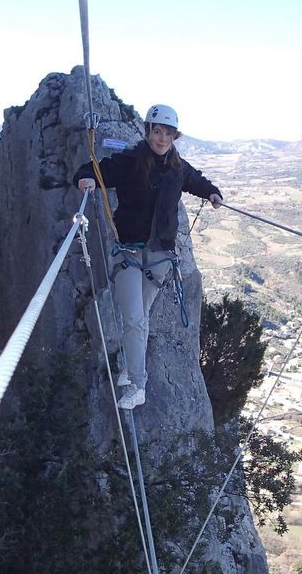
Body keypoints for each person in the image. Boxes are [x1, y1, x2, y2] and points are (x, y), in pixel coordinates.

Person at [74, 104, 223, 409]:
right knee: (134, 317)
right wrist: (85, 179)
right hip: (129, 249)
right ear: (149, 131)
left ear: (173, 137)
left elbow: (198, 182)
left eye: (168, 133)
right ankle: (138, 385)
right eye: (158, 131)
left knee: (139, 317)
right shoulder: (129, 161)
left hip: (159, 254)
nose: (162, 138)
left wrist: (213, 193)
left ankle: (131, 370)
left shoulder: (178, 169)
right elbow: (94, 169)